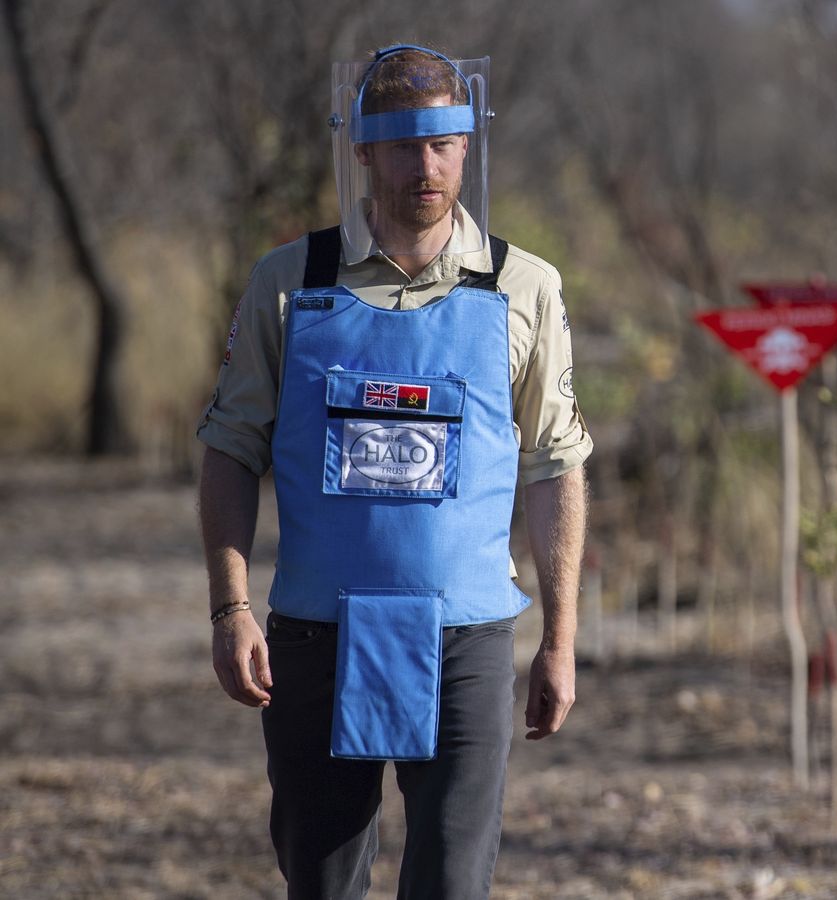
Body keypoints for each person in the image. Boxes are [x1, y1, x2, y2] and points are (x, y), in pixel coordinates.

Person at [196, 44, 591, 899]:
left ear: (468, 146)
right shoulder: (289, 284)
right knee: (322, 878)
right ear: (363, 150)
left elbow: (555, 466)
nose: (427, 165)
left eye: (444, 143)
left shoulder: (523, 288)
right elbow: (230, 448)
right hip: (314, 638)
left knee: (453, 880)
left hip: (468, 640)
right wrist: (230, 608)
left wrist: (559, 639)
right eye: (405, 144)